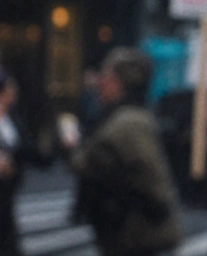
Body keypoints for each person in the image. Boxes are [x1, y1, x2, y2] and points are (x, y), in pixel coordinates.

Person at [69, 48, 182, 256]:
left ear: (118, 83)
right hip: (125, 231)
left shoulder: (128, 123)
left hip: (135, 233)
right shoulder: (121, 117)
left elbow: (149, 180)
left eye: (105, 77)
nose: (99, 83)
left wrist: (72, 148)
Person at [0, 69, 52, 256]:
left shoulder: (12, 117)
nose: (15, 92)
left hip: (7, 194)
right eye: (11, 88)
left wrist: (49, 152)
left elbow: (28, 149)